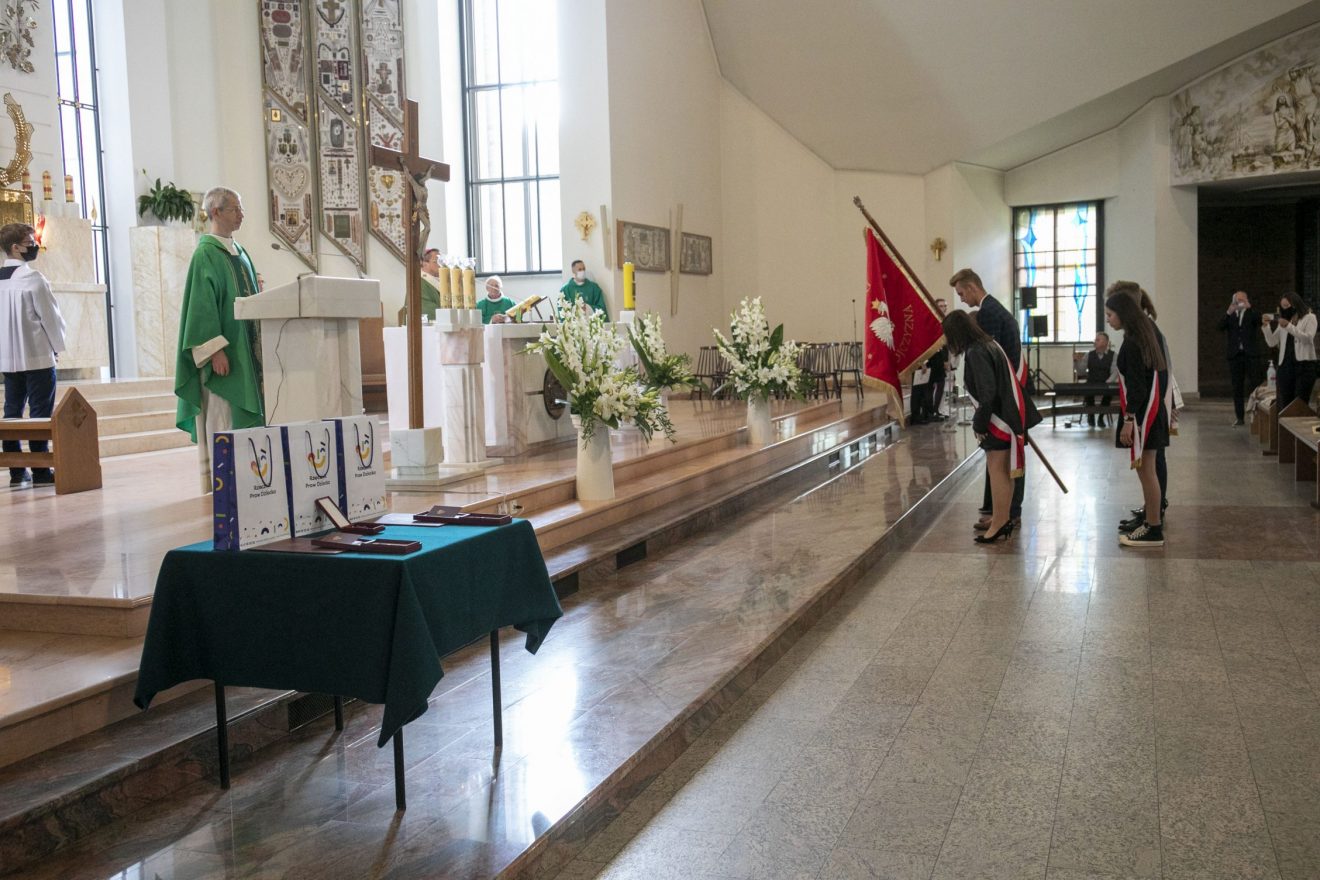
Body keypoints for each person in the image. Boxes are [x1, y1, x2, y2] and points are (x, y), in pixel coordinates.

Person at [174, 187, 264, 493]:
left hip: (248, 353)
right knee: (222, 417)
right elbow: (201, 306)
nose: (241, 215)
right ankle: (225, 483)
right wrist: (214, 351)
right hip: (225, 356)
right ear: (215, 212)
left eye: (241, 208)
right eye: (235, 209)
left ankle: (252, 479)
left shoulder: (240, 251)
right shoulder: (206, 254)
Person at [941, 310, 1040, 544]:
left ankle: (999, 523)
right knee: (1004, 471)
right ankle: (1001, 517)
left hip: (999, 420)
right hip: (1008, 416)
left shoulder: (976, 352)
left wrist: (980, 423)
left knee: (998, 471)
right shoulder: (988, 344)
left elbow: (988, 393)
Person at [951, 268, 1026, 531]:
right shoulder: (993, 308)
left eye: (961, 293)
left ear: (972, 287)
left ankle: (1006, 514)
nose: (962, 299)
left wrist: (985, 415)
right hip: (1006, 397)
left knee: (1005, 462)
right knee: (1004, 462)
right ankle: (1001, 513)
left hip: (1002, 402)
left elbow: (992, 364)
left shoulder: (988, 314)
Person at [0, 223, 65, 486]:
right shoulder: (33, 279)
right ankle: (41, 471)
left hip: (8, 359)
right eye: (30, 242)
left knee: (11, 411)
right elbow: (50, 317)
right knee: (40, 413)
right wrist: (57, 346)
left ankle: (16, 472)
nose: (34, 245)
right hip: (37, 355)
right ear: (15, 247)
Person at [1106, 290, 1169, 548]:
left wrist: (1129, 419)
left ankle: (1153, 529)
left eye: (1110, 315)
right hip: (1150, 413)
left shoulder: (1133, 343)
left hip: (1144, 416)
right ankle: (1150, 522)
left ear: (1123, 314)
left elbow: (1138, 387)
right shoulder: (1142, 336)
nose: (1108, 319)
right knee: (1148, 471)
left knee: (1147, 472)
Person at [1262, 292, 1317, 410]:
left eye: (1287, 306)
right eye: (1282, 306)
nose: (1285, 309)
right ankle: (1283, 423)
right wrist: (1266, 327)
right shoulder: (1285, 320)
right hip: (1285, 365)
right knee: (1284, 403)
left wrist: (1288, 326)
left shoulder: (1309, 317)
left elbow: (1308, 338)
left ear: (1296, 304)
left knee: (1300, 403)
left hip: (1303, 366)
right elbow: (1272, 342)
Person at [1218, 290, 1264, 425]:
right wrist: (1229, 312)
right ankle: (1240, 417)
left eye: (1243, 300)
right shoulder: (1231, 315)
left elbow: (1260, 321)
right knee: (1237, 387)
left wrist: (1250, 308)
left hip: (1250, 355)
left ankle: (1257, 417)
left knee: (1255, 385)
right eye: (1238, 300)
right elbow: (1220, 327)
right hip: (1235, 355)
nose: (1240, 303)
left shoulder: (1252, 313)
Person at [1082, 332, 1117, 428]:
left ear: (1105, 342)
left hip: (1106, 382)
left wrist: (1107, 383)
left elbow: (1114, 372)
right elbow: (1081, 371)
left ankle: (1101, 417)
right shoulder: (1088, 355)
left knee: (1109, 393)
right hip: (1092, 382)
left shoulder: (1113, 355)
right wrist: (1076, 362)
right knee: (1088, 391)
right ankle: (1091, 416)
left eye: (1098, 340)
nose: (1095, 342)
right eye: (1095, 340)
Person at [414, 247, 442, 322]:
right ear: (424, 263)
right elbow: (425, 309)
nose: (441, 265)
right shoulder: (418, 283)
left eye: (441, 261)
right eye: (437, 261)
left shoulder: (440, 281)